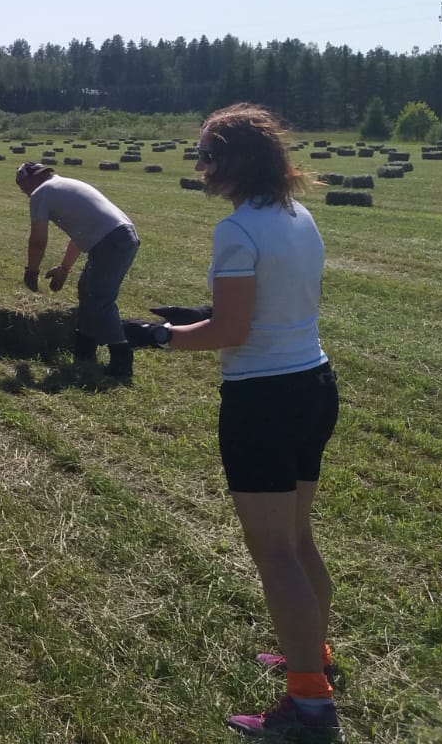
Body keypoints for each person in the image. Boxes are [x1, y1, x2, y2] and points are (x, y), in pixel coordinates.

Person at [129, 104, 342, 740]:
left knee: (273, 552)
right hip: (313, 385)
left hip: (264, 401)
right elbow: (272, 303)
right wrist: (198, 314)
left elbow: (232, 332)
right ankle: (314, 656)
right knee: (297, 537)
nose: (200, 167)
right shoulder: (296, 216)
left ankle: (309, 705)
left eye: (207, 155)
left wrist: (160, 336)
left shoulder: (237, 229)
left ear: (239, 162)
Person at [15, 160, 141, 377]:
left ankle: (121, 358)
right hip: (121, 235)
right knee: (87, 290)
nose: (24, 192)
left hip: (112, 240)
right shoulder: (65, 185)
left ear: (29, 180)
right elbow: (81, 233)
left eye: (21, 186)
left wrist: (31, 271)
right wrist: (64, 268)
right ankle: (84, 350)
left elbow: (38, 240)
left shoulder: (40, 193)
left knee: (99, 298)